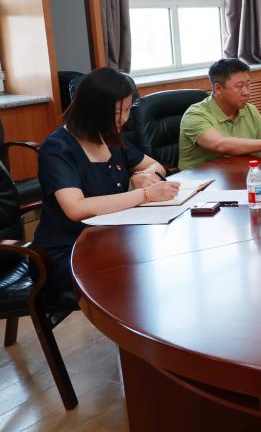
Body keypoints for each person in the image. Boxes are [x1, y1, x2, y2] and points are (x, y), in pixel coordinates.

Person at [34, 68, 180, 299]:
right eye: (117, 112)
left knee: (163, 263)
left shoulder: (109, 137)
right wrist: (145, 194)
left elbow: (156, 166)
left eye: (127, 110)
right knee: (139, 276)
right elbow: (76, 208)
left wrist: (140, 177)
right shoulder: (57, 148)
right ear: (91, 110)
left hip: (110, 239)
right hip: (69, 252)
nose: (124, 119)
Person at [178, 58, 261, 170]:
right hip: (200, 180)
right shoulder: (194, 115)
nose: (246, 92)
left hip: (239, 175)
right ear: (218, 89)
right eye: (239, 86)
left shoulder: (250, 110)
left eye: (248, 85)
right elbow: (220, 144)